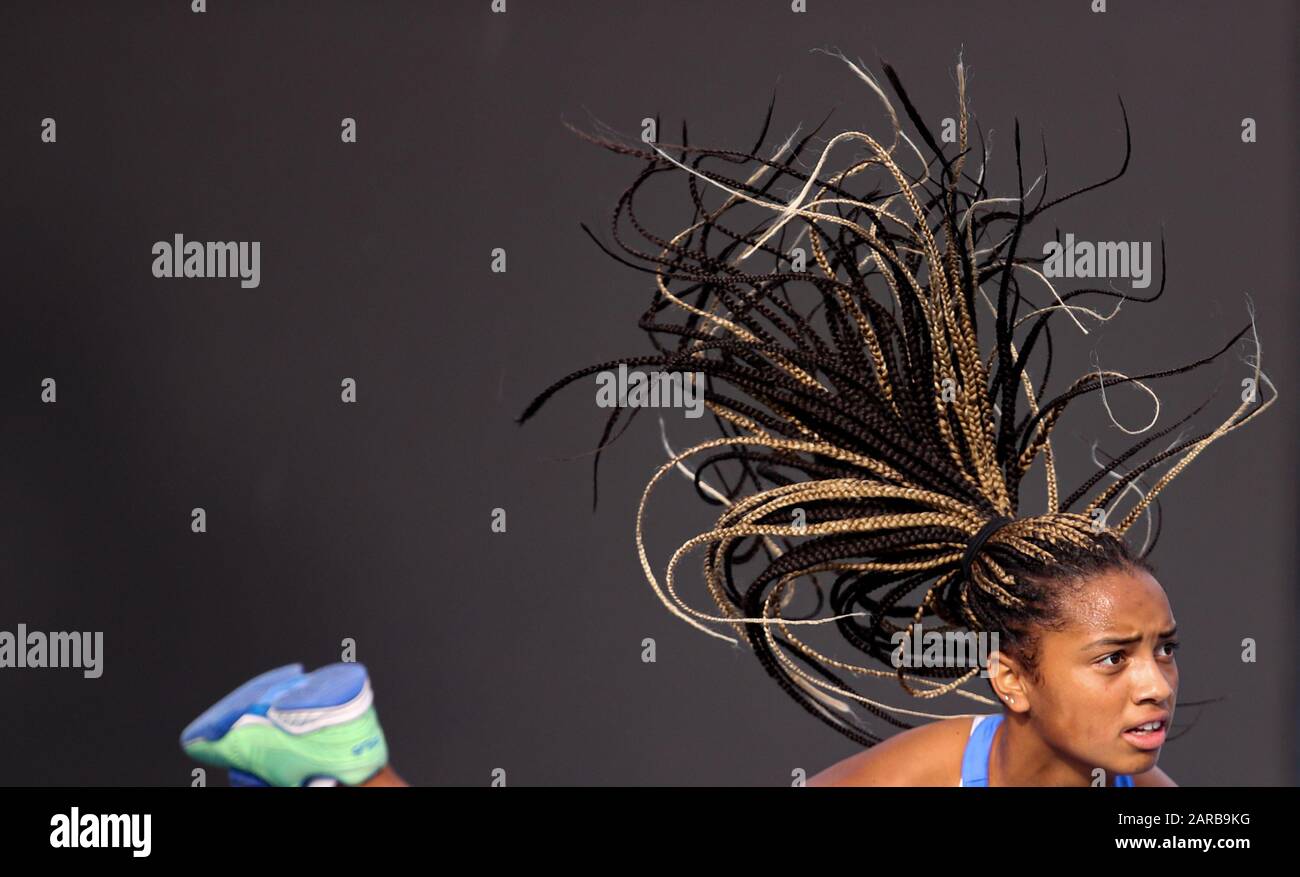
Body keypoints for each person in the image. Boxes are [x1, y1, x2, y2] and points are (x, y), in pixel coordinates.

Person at [180, 53, 1273, 787]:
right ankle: (344, 752)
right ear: (1012, 677)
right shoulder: (929, 776)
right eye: (1114, 656)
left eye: (1163, 652)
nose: (1154, 684)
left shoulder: (1145, 798)